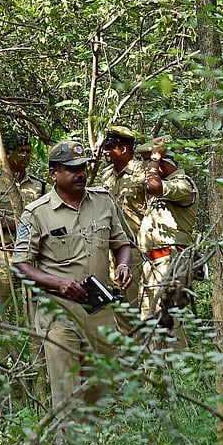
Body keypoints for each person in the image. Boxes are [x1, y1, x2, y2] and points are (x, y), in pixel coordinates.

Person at [12, 141, 132, 417]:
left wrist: (124, 265)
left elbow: (122, 243)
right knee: (66, 392)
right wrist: (59, 284)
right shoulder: (36, 213)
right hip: (59, 312)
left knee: (104, 391)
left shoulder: (103, 201)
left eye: (83, 167)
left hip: (99, 310)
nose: (81, 173)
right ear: (54, 173)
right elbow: (20, 265)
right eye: (72, 169)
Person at [136, 137, 198, 350]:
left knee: (172, 327)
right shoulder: (164, 186)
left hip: (170, 263)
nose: (148, 169)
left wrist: (154, 158)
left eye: (151, 163)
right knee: (149, 326)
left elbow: (153, 186)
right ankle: (153, 378)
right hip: (152, 265)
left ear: (165, 161)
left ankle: (181, 379)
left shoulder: (183, 184)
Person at [0, 132, 47, 301]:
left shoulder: (39, 186)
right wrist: (12, 225)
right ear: (7, 154)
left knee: (33, 302)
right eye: (21, 151)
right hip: (3, 254)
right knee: (2, 303)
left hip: (32, 255)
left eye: (28, 151)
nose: (26, 155)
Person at [100, 125, 149, 333]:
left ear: (124, 149)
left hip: (138, 251)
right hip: (113, 252)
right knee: (119, 310)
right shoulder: (106, 176)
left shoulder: (143, 173)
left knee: (140, 308)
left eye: (110, 147)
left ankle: (147, 359)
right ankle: (130, 360)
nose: (105, 152)